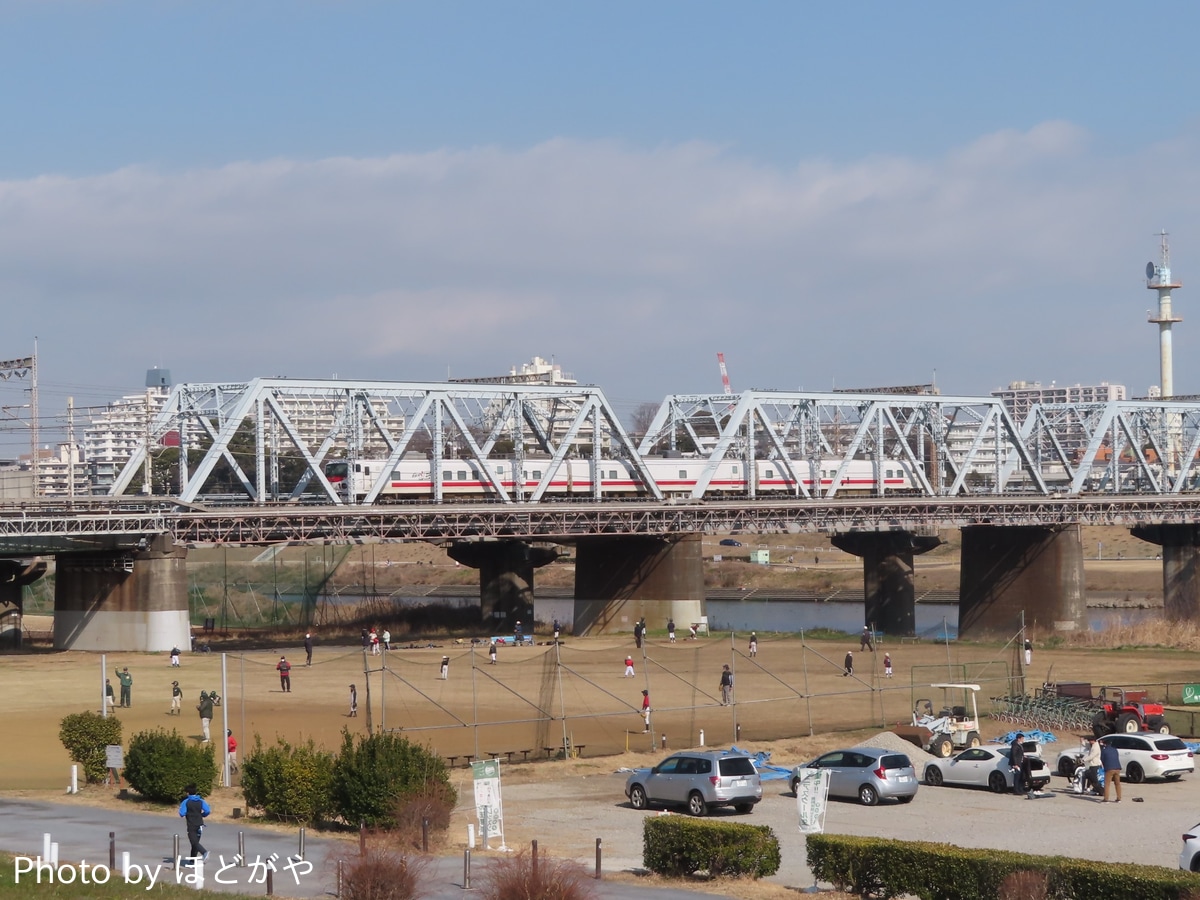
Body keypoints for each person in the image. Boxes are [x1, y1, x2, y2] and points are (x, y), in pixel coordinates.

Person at [178, 783, 211, 862]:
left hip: (191, 825)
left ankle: (204, 852)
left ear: (188, 793)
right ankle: (192, 861)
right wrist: (202, 815)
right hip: (200, 825)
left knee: (194, 842)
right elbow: (208, 810)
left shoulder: (186, 802)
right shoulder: (201, 801)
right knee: (195, 843)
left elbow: (182, 813)